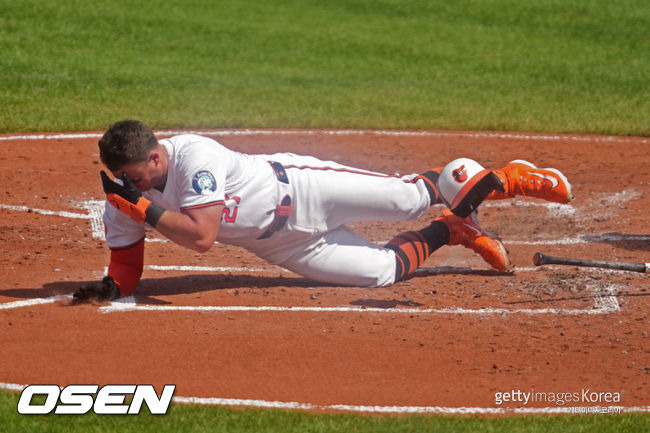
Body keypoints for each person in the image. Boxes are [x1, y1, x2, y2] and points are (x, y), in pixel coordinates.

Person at [73, 120, 574, 302]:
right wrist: (115, 285)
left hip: (307, 189)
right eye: (122, 179)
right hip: (282, 243)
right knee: (379, 273)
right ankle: (452, 230)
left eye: (135, 176)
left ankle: (506, 177)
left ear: (156, 157)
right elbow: (126, 257)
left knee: (408, 198)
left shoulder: (193, 157)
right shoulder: (125, 194)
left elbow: (201, 236)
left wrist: (142, 208)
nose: (129, 186)